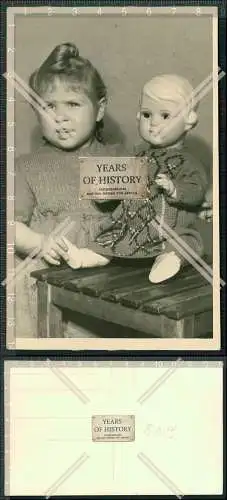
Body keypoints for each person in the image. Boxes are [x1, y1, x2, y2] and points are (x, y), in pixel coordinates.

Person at [15, 42, 121, 337]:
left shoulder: (119, 158)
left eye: (73, 104)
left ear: (100, 109)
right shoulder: (26, 166)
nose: (59, 117)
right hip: (49, 291)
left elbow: (152, 202)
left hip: (112, 285)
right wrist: (39, 243)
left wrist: (198, 199)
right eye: (49, 106)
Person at [85, 74, 209, 283]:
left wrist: (174, 189)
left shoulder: (188, 162)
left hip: (169, 228)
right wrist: (105, 189)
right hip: (134, 223)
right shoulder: (137, 154)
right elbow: (120, 185)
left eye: (165, 116)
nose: (153, 124)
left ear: (189, 120)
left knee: (184, 242)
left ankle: (169, 259)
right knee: (110, 233)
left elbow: (196, 191)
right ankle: (96, 254)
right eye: (146, 114)